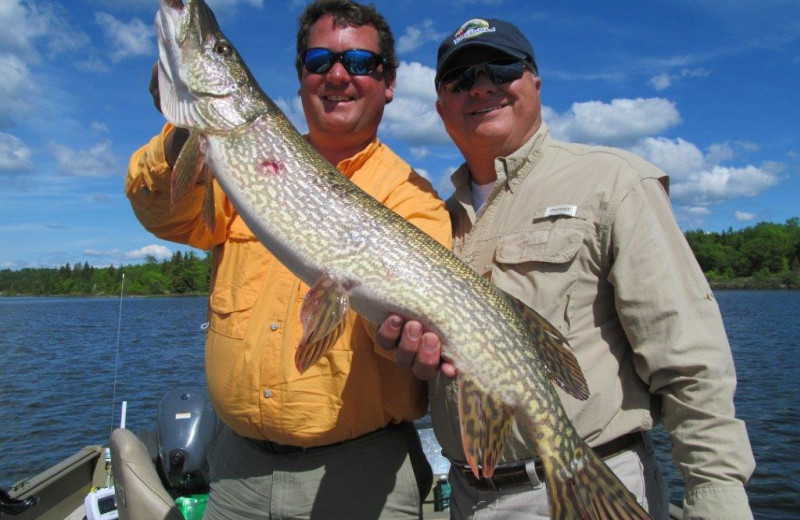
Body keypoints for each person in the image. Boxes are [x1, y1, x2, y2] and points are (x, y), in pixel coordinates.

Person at [377, 17, 755, 520]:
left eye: (501, 67)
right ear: (442, 107)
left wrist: (717, 496)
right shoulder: (432, 220)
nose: (482, 85)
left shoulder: (613, 181)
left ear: (534, 80)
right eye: (460, 79)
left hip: (597, 479)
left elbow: (690, 360)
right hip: (471, 498)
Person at [125, 1, 452, 518]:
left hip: (360, 476)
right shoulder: (239, 161)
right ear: (301, 78)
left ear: (388, 82)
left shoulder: (413, 199)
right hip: (235, 472)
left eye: (361, 63)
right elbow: (164, 215)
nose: (338, 75)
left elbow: (398, 338)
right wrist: (186, 127)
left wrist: (400, 335)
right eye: (319, 60)